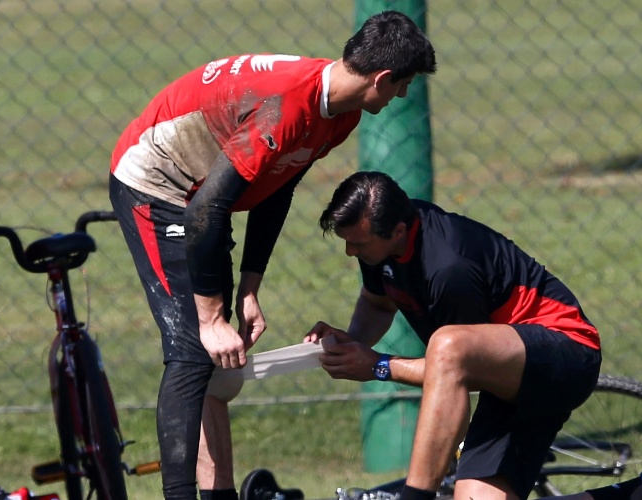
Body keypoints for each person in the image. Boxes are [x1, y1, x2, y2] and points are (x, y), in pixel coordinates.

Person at [108, 12, 437, 500]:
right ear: (382, 78)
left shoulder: (341, 112)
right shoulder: (288, 107)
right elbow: (205, 210)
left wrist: (249, 287)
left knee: (216, 361)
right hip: (157, 187)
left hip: (204, 198)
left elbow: (275, 185)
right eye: (402, 86)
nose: (401, 98)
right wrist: (210, 315)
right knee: (192, 349)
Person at [305, 171, 642, 500]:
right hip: (509, 380)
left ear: (399, 231)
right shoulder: (382, 249)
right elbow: (377, 304)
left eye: (358, 243)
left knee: (449, 345)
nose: (348, 251)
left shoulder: (447, 267)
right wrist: (352, 344)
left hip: (564, 351)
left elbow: (455, 369)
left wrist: (378, 367)